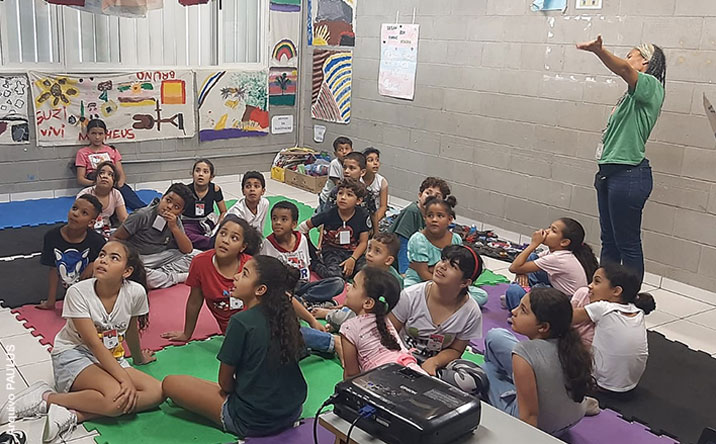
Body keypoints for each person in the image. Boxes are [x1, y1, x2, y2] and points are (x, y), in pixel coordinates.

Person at [0, 241, 162, 442]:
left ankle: (73, 414)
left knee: (156, 392)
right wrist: (124, 379)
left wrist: (138, 358)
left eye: (114, 258)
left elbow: (130, 329)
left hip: (111, 356)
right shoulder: (78, 292)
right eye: (102, 254)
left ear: (127, 271)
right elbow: (93, 343)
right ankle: (46, 398)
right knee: (115, 397)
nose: (103, 260)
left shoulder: (135, 292)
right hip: (74, 353)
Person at [161, 256, 307, 439]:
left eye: (244, 274)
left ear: (260, 290)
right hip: (292, 410)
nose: (236, 276)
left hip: (252, 421)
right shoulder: (285, 314)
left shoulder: (241, 322)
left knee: (170, 383)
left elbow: (225, 383)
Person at [577, 35, 666, 282]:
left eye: (631, 55)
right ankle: (604, 290)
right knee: (609, 240)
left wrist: (599, 51)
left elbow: (624, 69)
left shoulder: (651, 85)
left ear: (645, 61)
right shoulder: (631, 95)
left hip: (629, 174)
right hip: (610, 172)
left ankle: (628, 296)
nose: (627, 60)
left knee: (627, 243)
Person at [480, 288, 593, 435]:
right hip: (575, 415)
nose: (514, 311)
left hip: (544, 428)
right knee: (495, 336)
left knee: (486, 370)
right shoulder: (569, 344)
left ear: (543, 327)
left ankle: (510, 388)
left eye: (523, 310)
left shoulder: (523, 352)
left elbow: (529, 417)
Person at [161, 215, 260, 341]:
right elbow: (194, 301)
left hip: (254, 329)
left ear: (243, 247)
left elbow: (260, 305)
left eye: (234, 238)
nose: (225, 240)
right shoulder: (200, 262)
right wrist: (186, 334)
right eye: (222, 233)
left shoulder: (251, 265)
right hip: (229, 332)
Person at [389, 245, 484, 376]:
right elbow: (389, 334)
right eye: (443, 260)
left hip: (438, 365)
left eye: (453, 266)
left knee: (474, 378)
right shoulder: (410, 296)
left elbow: (456, 350)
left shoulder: (471, 312)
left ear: (465, 282)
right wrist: (405, 359)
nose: (442, 266)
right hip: (401, 356)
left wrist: (435, 362)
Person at [571, 263, 655, 393]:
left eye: (597, 282)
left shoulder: (603, 308)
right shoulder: (638, 311)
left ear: (616, 291)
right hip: (630, 385)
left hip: (602, 384)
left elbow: (566, 317)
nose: (590, 286)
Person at [341, 267, 425, 379]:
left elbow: (351, 375)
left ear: (368, 302)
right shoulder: (385, 320)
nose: (348, 287)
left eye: (354, 286)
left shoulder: (349, 327)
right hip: (415, 371)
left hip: (386, 379)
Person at [312, 232, 404, 332]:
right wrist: (347, 304)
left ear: (388, 260)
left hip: (377, 317)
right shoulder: (366, 269)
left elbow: (393, 309)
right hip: (361, 307)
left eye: (377, 251)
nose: (369, 254)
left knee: (346, 316)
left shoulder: (394, 280)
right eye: (369, 248)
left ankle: (328, 315)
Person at [404, 196, 487, 306]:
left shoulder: (455, 238)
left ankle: (440, 302)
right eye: (430, 215)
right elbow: (423, 273)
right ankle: (445, 302)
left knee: (482, 296)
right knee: (408, 294)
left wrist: (436, 272)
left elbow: (459, 267)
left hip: (447, 282)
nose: (434, 219)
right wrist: (445, 285)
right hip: (420, 281)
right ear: (424, 218)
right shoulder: (418, 239)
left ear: (450, 219)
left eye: (440, 216)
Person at [111, 183, 197, 289]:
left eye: (176, 207)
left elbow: (187, 250)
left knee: (197, 257)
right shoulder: (142, 215)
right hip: (140, 257)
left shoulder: (175, 220)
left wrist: (174, 228)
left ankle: (160, 273)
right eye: (168, 200)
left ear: (180, 212)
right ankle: (175, 277)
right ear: (162, 197)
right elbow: (115, 238)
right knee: (137, 274)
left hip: (161, 257)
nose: (169, 207)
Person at [259, 200, 345, 305]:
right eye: (274, 219)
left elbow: (307, 265)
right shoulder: (267, 244)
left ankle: (303, 300)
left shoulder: (302, 239)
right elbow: (264, 275)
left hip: (303, 285)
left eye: (284, 219)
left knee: (338, 283)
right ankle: (309, 302)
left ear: (294, 224)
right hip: (283, 288)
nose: (278, 222)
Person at [504, 218, 599, 310]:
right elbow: (521, 264)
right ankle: (523, 293)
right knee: (531, 258)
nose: (546, 231)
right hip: (557, 290)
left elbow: (513, 268)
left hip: (565, 303)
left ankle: (523, 309)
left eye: (553, 231)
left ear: (564, 242)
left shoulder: (558, 258)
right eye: (549, 227)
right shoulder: (556, 252)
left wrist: (533, 244)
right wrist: (522, 272)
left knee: (514, 291)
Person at [37, 195, 106, 310]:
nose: (75, 214)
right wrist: (51, 301)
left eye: (84, 213)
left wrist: (94, 263)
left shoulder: (97, 241)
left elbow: (108, 264)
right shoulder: (52, 236)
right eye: (74, 208)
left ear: (91, 223)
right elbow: (53, 269)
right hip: (71, 286)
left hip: (92, 290)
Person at [299, 179, 370, 281]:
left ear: (358, 200)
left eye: (349, 195)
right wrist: (311, 248)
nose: (343, 197)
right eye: (340, 193)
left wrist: (353, 259)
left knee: (367, 273)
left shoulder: (362, 215)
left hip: (352, 252)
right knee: (335, 276)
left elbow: (363, 242)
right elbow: (303, 228)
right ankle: (315, 264)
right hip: (331, 251)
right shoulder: (329, 214)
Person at [74, 119, 146, 210]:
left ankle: (146, 210)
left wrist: (120, 184)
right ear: (88, 134)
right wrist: (97, 183)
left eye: (100, 134)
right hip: (94, 181)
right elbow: (80, 179)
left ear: (105, 134)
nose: (97, 137)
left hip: (112, 180)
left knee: (128, 195)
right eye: (93, 133)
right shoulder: (82, 152)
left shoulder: (111, 150)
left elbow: (120, 172)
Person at [388, 177, 451, 273]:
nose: (431, 197)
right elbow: (403, 245)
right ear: (420, 195)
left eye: (437, 196)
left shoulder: (436, 218)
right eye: (428, 193)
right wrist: (404, 272)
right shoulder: (412, 211)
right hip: (394, 261)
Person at [182, 159, 228, 251]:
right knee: (184, 234)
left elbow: (223, 211)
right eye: (197, 171)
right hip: (189, 223)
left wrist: (218, 226)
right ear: (192, 174)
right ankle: (210, 242)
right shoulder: (185, 190)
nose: (201, 174)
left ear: (211, 177)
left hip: (208, 221)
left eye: (205, 172)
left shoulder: (215, 189)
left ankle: (206, 241)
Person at [77, 161, 128, 237]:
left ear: (114, 181)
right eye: (101, 173)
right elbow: (78, 219)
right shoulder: (84, 194)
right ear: (96, 178)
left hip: (107, 230)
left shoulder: (116, 194)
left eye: (110, 174)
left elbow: (123, 218)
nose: (105, 176)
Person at [317, 136, 353, 213]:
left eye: (347, 149)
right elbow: (338, 183)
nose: (344, 152)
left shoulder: (353, 163)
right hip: (328, 197)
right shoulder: (335, 164)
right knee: (325, 216)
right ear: (335, 153)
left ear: (352, 150)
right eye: (340, 150)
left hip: (340, 197)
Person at [363, 147, 389, 224]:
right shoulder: (358, 179)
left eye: (377, 160)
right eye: (370, 160)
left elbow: (383, 206)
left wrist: (373, 222)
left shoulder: (382, 182)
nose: (375, 163)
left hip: (376, 214)